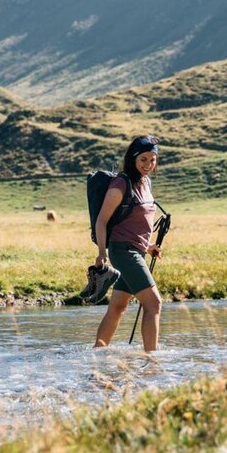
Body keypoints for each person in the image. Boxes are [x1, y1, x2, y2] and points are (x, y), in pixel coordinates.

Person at [91, 135, 164, 352]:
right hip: (123, 252)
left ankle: (98, 353)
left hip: (136, 251)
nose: (148, 164)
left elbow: (134, 221)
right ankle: (151, 358)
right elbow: (102, 220)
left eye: (152, 160)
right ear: (133, 158)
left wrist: (148, 246)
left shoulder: (145, 182)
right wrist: (102, 253)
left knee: (118, 306)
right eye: (143, 159)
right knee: (154, 304)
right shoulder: (121, 183)